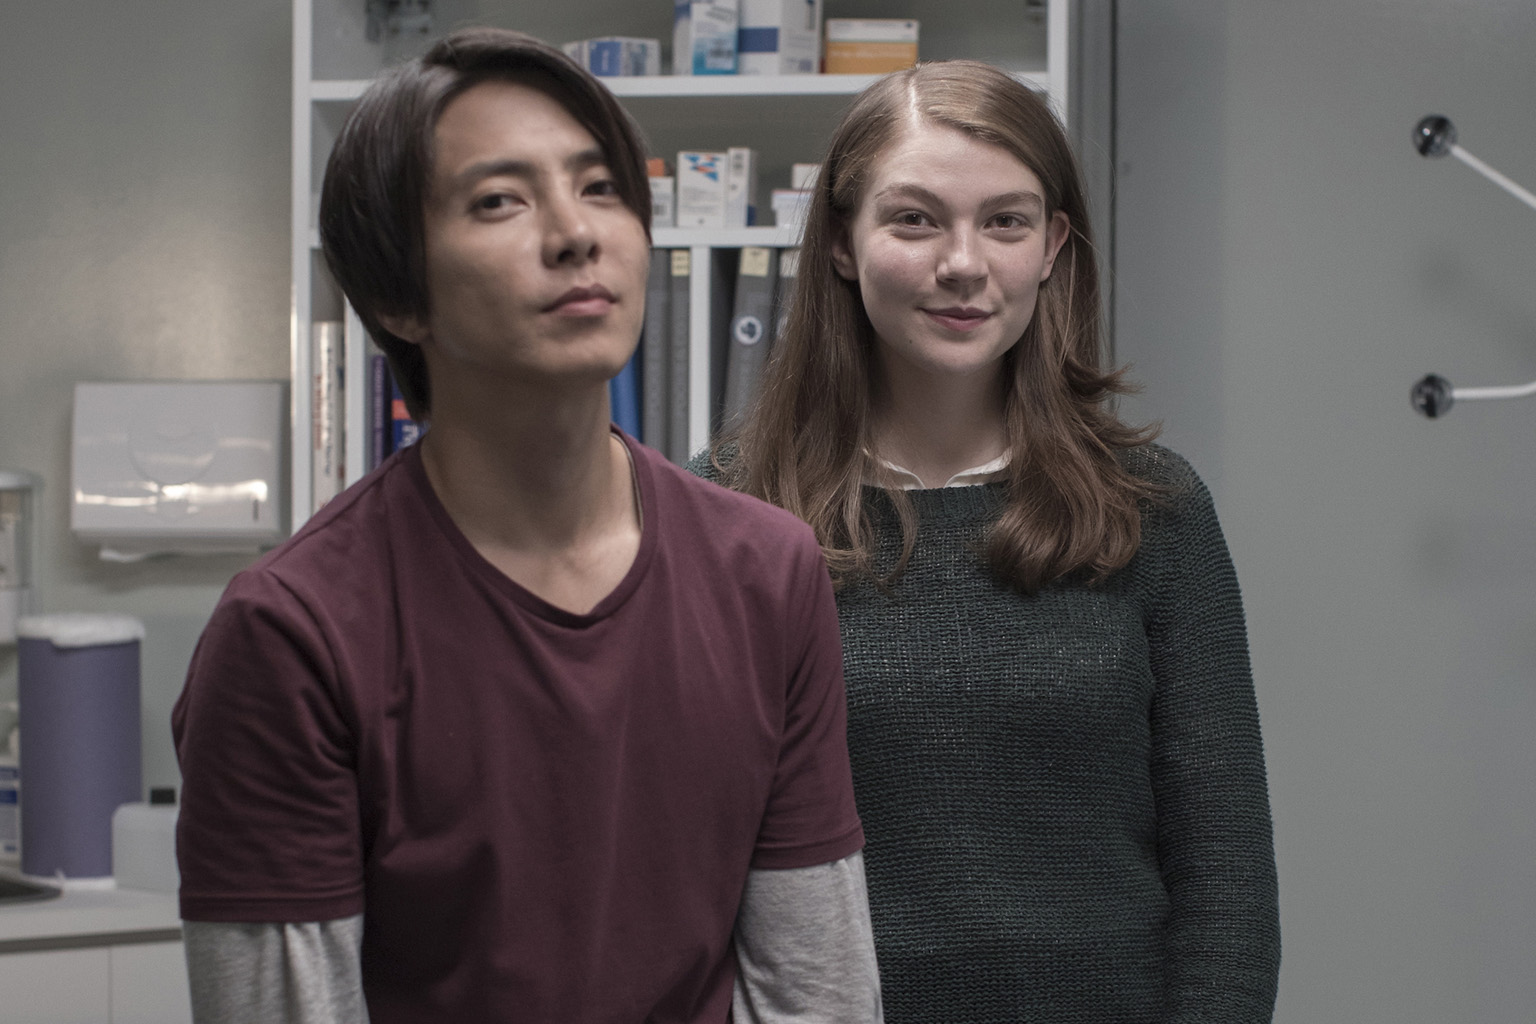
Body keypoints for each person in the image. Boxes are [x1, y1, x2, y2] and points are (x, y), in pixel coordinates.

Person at [172, 27, 881, 1024]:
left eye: (600, 188)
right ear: (394, 295)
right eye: (499, 200)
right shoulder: (293, 631)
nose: (575, 232)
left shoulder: (767, 572)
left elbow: (819, 992)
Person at [692, 60, 1281, 1022]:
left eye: (1004, 221)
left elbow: (1225, 872)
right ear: (842, 242)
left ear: (1052, 246)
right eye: (915, 219)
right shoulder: (723, 512)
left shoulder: (1153, 508)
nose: (962, 263)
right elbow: (681, 858)